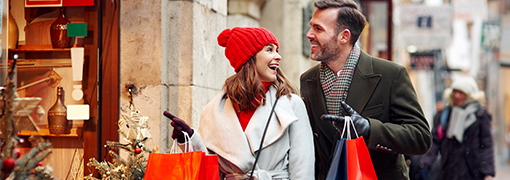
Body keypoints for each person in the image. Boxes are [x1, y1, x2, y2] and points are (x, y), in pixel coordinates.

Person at [299, 0, 432, 179]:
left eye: (318, 29)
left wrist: (370, 129)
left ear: (344, 37)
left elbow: (421, 137)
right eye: (310, 27)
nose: (309, 34)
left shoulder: (390, 74)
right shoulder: (308, 79)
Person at [164, 27, 315, 180]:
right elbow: (209, 170)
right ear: (248, 57)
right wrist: (189, 138)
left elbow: (303, 168)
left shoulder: (291, 104)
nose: (278, 56)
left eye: (277, 50)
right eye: (269, 50)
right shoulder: (213, 111)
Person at [420, 76, 495, 180]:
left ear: (470, 95)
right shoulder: (445, 114)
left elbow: (486, 144)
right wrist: (425, 163)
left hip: (473, 172)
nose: (457, 96)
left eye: (461, 93)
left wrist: (487, 173)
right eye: (455, 92)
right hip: (448, 171)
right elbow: (434, 140)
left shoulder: (480, 116)